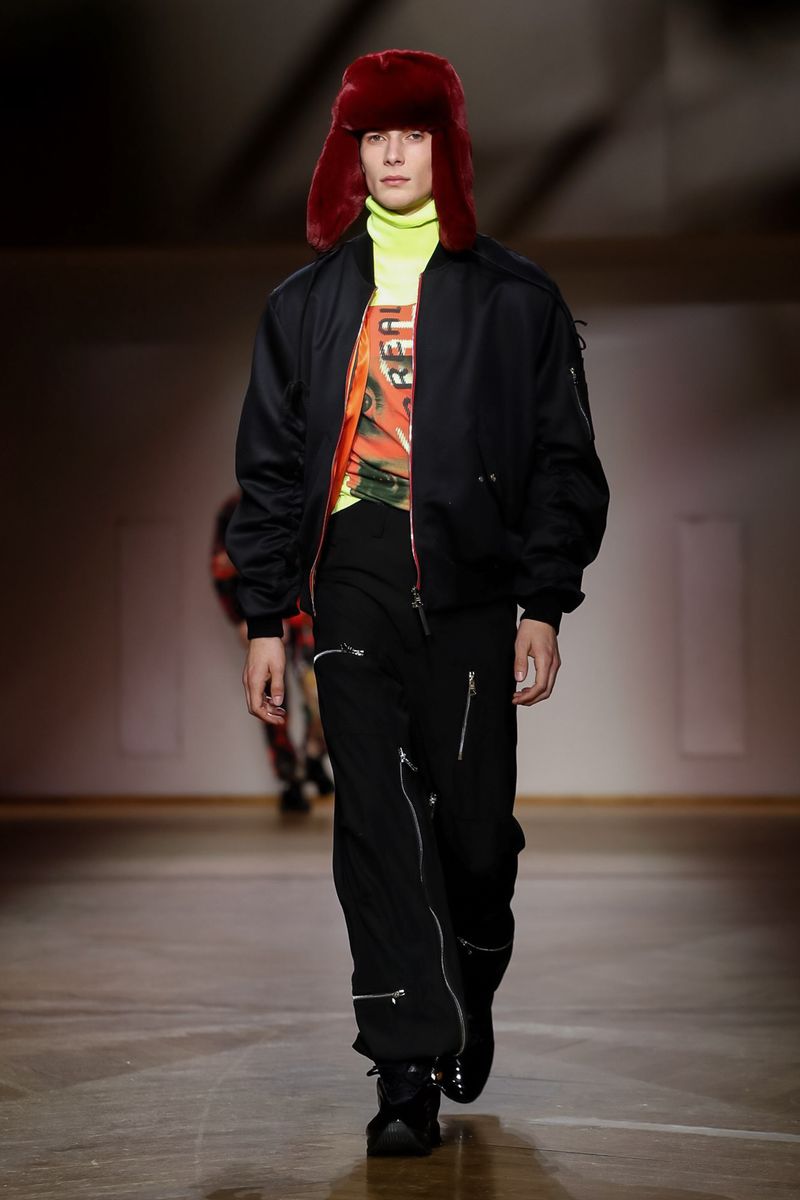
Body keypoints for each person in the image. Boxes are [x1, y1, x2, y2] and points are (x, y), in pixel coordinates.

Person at [225, 49, 609, 1156]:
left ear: (448, 148)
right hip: (350, 576)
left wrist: (543, 602)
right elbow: (268, 468)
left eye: (413, 134)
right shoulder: (302, 305)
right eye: (373, 137)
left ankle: (470, 976)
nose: (393, 155)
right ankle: (403, 1072)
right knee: (377, 824)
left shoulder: (516, 300)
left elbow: (564, 463)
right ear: (350, 154)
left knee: (476, 839)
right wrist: (264, 619)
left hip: (472, 587)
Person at [211, 491, 333, 812]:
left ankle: (313, 755)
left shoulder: (313, 491)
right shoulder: (237, 507)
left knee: (322, 693)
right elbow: (221, 565)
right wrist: (242, 617)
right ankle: (290, 778)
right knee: (272, 700)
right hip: (267, 615)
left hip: (308, 615)